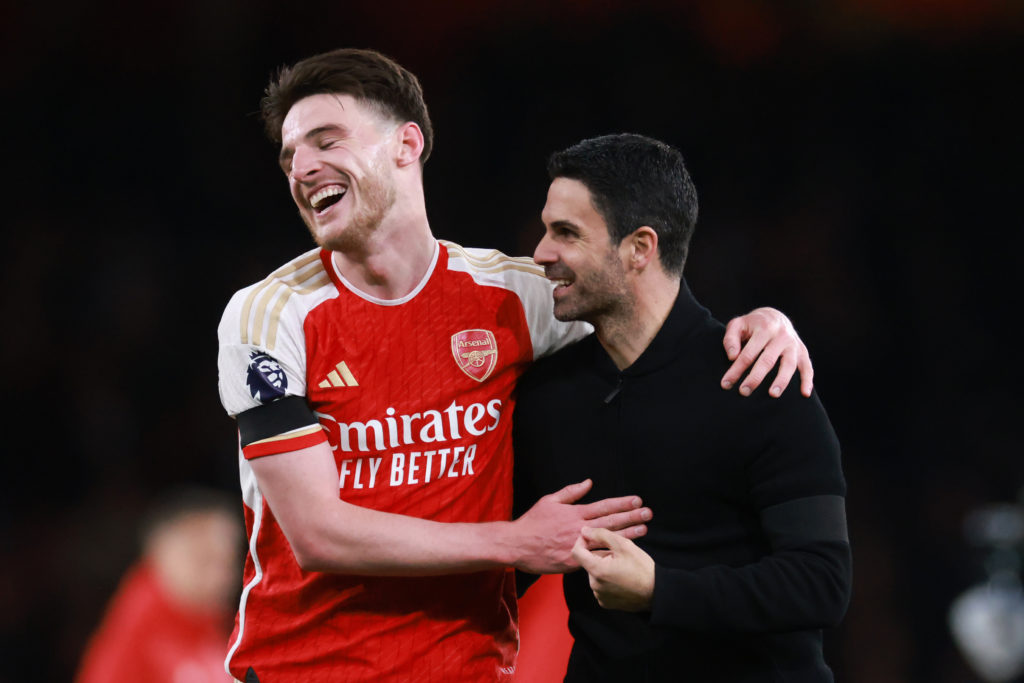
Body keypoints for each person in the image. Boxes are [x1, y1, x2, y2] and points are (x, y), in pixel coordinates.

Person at [216, 48, 815, 683]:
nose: (303, 167)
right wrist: (518, 542)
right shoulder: (269, 317)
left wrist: (759, 324)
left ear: (405, 144)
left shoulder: (512, 297)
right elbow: (318, 535)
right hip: (304, 669)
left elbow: (647, 302)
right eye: (289, 158)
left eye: (326, 141)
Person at [512, 133, 851, 682]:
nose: (541, 252)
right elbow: (502, 560)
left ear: (639, 248)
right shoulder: (547, 395)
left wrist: (658, 590)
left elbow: (821, 584)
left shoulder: (760, 377)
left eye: (566, 233)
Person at [74, 486, 243, 683]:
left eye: (229, 562)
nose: (224, 577)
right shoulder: (138, 628)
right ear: (161, 551)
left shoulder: (213, 623)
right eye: (204, 559)